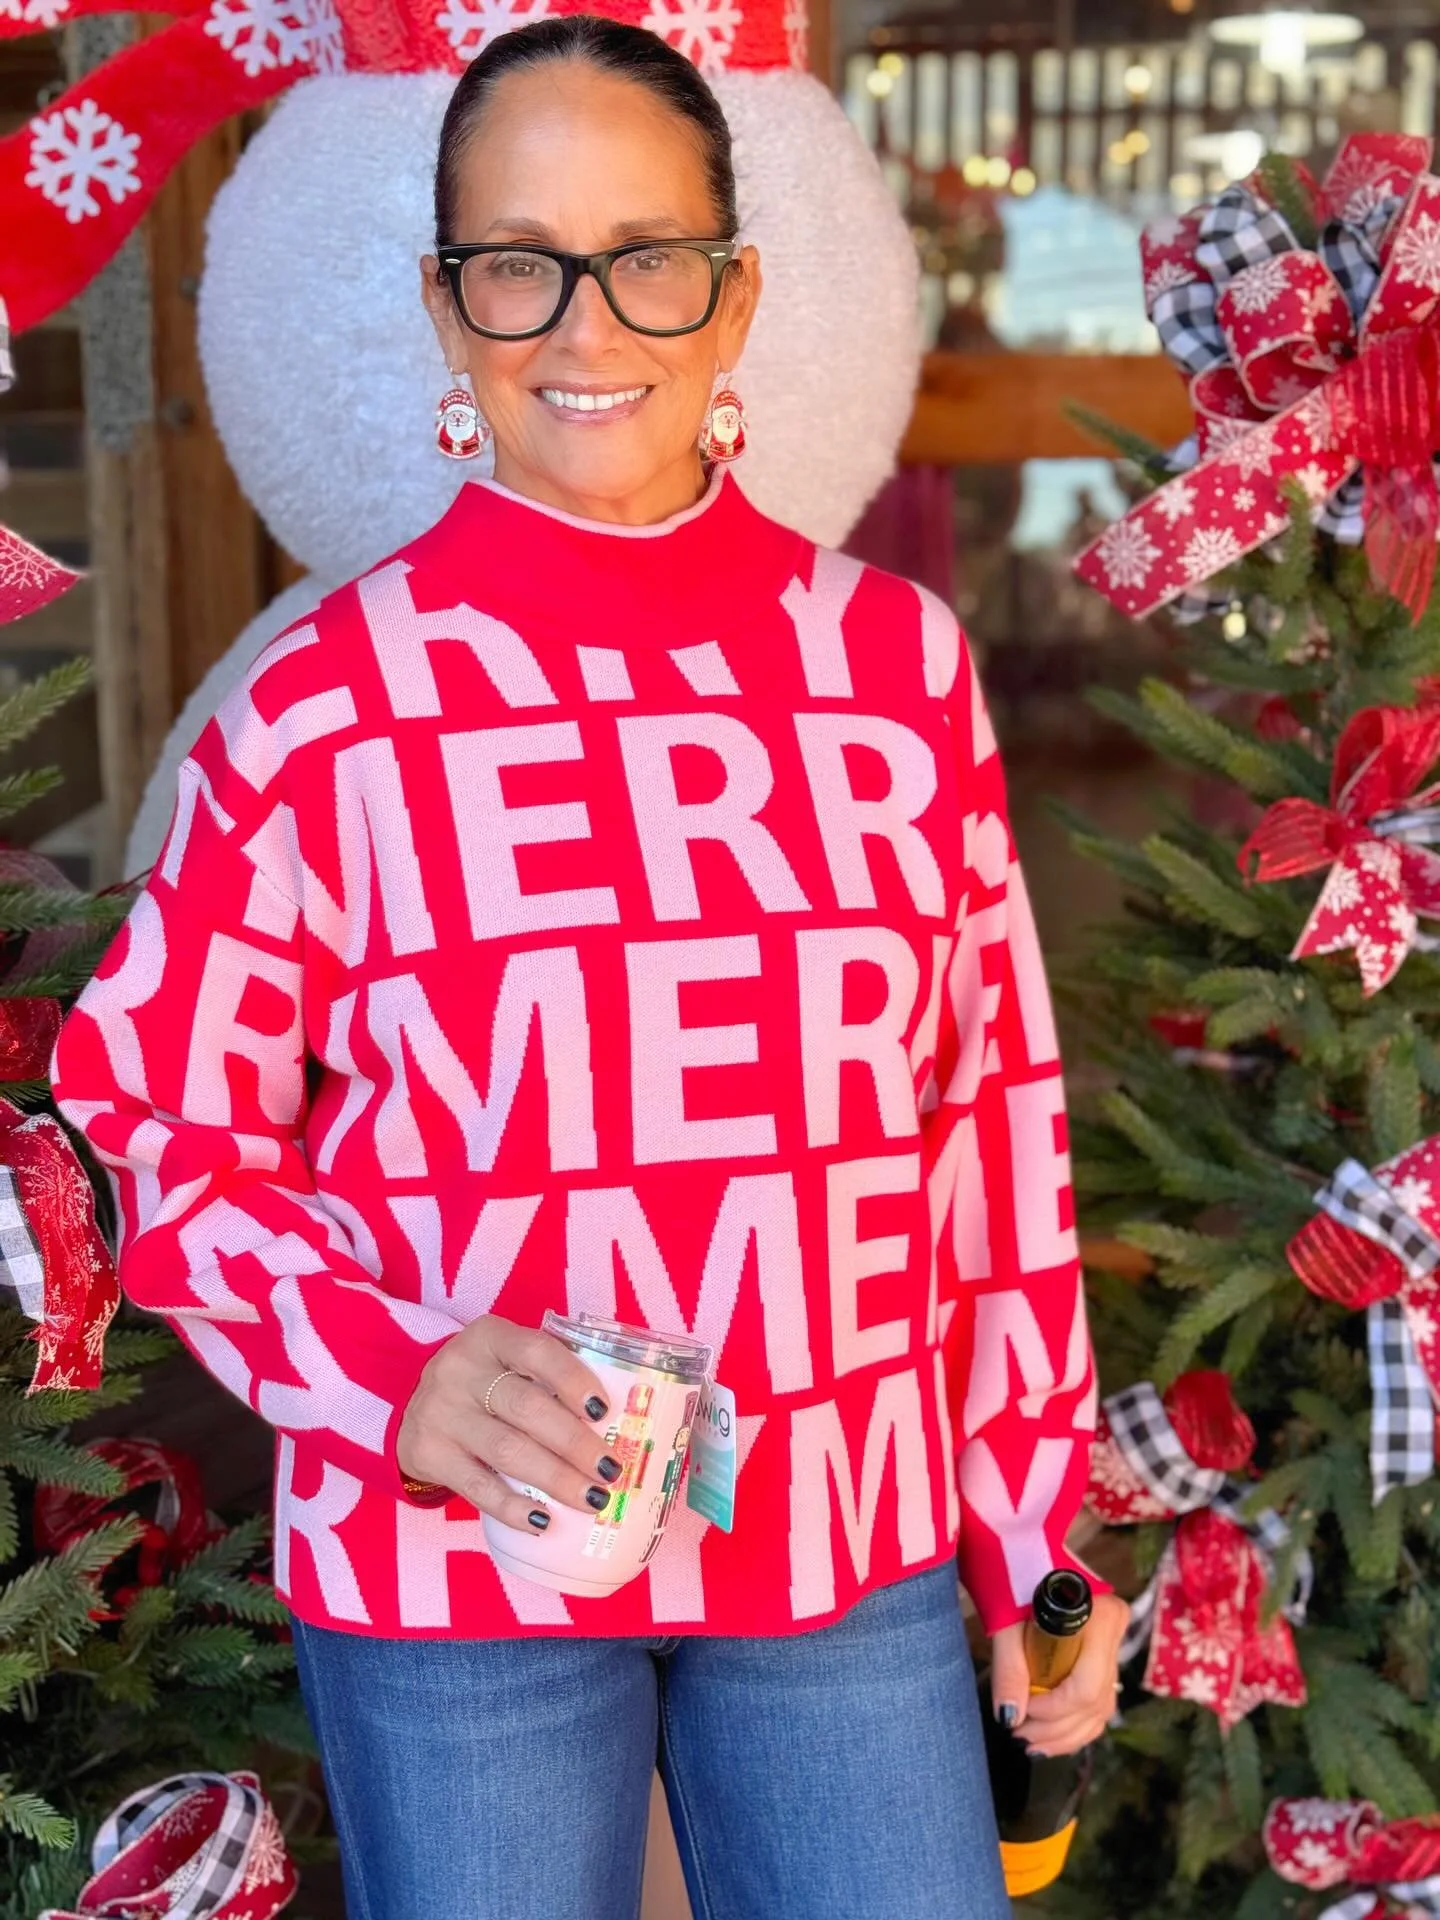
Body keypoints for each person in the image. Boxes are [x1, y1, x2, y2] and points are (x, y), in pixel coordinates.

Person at [50, 17, 1127, 1916]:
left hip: (843, 1531)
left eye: (647, 255)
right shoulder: (322, 706)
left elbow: (986, 1131)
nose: (586, 319)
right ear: (451, 313)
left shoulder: (894, 668)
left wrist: (1034, 1526)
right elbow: (151, 1119)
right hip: (454, 1562)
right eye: (518, 260)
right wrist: (390, 1370)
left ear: (733, 298)